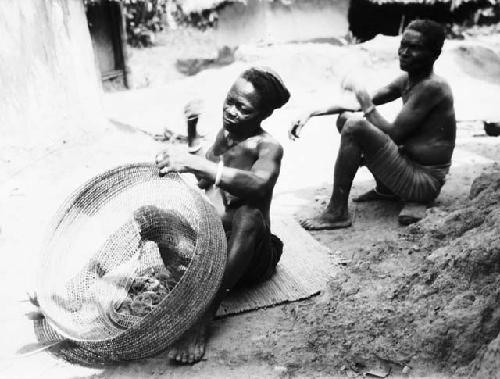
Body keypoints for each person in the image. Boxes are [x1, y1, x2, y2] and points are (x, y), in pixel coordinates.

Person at [155, 67, 290, 364]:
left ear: (264, 114)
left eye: (243, 108)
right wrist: (191, 131)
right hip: (212, 249)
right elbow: (205, 179)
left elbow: (258, 184)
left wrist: (194, 164)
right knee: (150, 216)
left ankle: (204, 315)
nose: (231, 111)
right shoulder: (224, 136)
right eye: (230, 101)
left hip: (251, 256)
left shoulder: (268, 147)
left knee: (249, 215)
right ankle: (84, 286)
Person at [289, 19, 456, 229]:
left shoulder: (433, 87)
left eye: (414, 48)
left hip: (423, 181)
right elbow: (358, 104)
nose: (404, 52)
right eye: (403, 44)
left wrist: (361, 93)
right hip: (408, 166)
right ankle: (385, 189)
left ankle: (337, 212)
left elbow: (393, 134)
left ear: (434, 55)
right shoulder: (407, 80)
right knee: (345, 118)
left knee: (355, 127)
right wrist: (311, 112)